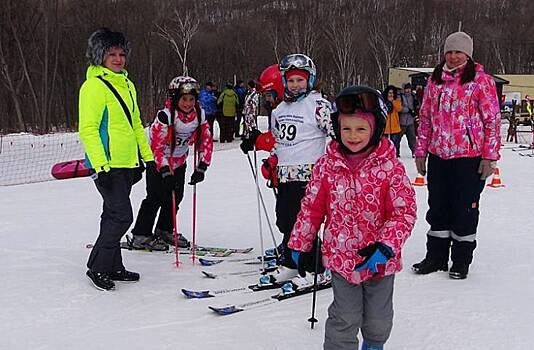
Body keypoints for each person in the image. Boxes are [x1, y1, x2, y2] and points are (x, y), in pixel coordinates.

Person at [288, 86, 417, 350]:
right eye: (346, 129)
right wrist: (301, 243)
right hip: (341, 258)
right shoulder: (327, 165)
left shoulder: (390, 167)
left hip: (380, 262)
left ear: (375, 128)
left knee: (378, 319)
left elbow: (403, 212)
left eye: (361, 129)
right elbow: (312, 207)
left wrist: (386, 246)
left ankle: (374, 345)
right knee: (344, 316)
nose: (353, 136)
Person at [412, 31, 501, 279]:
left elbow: (492, 120)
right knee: (438, 207)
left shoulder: (481, 81)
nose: (453, 56)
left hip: (469, 158)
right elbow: (426, 118)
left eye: (458, 52)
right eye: (449, 52)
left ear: (468, 55)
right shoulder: (435, 80)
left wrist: (489, 156)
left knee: (464, 209)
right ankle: (436, 257)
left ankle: (461, 260)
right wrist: (421, 151)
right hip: (440, 156)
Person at [242, 54, 335, 282]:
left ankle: (314, 267)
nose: (295, 85)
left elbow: (335, 134)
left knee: (303, 221)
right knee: (285, 220)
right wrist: (258, 143)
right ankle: (292, 263)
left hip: (309, 174)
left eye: (300, 81)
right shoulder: (281, 109)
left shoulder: (317, 105)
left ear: (309, 81)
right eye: (291, 81)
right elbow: (278, 139)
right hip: (285, 174)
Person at [79, 28, 155, 291]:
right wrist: (101, 166)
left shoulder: (127, 84)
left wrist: (147, 158)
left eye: (122, 53)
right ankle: (98, 266)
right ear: (100, 56)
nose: (118, 59)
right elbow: (88, 129)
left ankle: (114, 265)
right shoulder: (94, 87)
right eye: (111, 53)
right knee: (122, 217)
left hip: (126, 163)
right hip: (107, 164)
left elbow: (135, 124)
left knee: (111, 214)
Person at [129, 76, 213, 250]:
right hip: (158, 163)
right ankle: (141, 234)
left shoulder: (199, 115)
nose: (188, 103)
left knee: (176, 197)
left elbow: (206, 140)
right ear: (175, 99)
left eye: (191, 99)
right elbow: (156, 147)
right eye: (184, 99)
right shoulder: (165, 116)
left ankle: (164, 229)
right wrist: (165, 170)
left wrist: (202, 166)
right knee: (155, 197)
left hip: (180, 162)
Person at [398, 83, 418, 157]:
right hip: (402, 121)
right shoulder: (400, 97)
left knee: (412, 138)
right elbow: (399, 108)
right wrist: (408, 110)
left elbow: (416, 106)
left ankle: (414, 152)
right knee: (398, 138)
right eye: (406, 89)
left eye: (409, 89)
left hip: (410, 121)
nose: (408, 90)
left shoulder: (413, 96)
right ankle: (396, 152)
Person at [382, 85, 402, 157]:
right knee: (385, 142)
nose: (391, 94)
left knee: (395, 143)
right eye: (389, 93)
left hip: (395, 125)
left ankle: (394, 154)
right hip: (386, 126)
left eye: (392, 93)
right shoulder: (383, 101)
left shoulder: (397, 100)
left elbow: (399, 109)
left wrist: (393, 101)